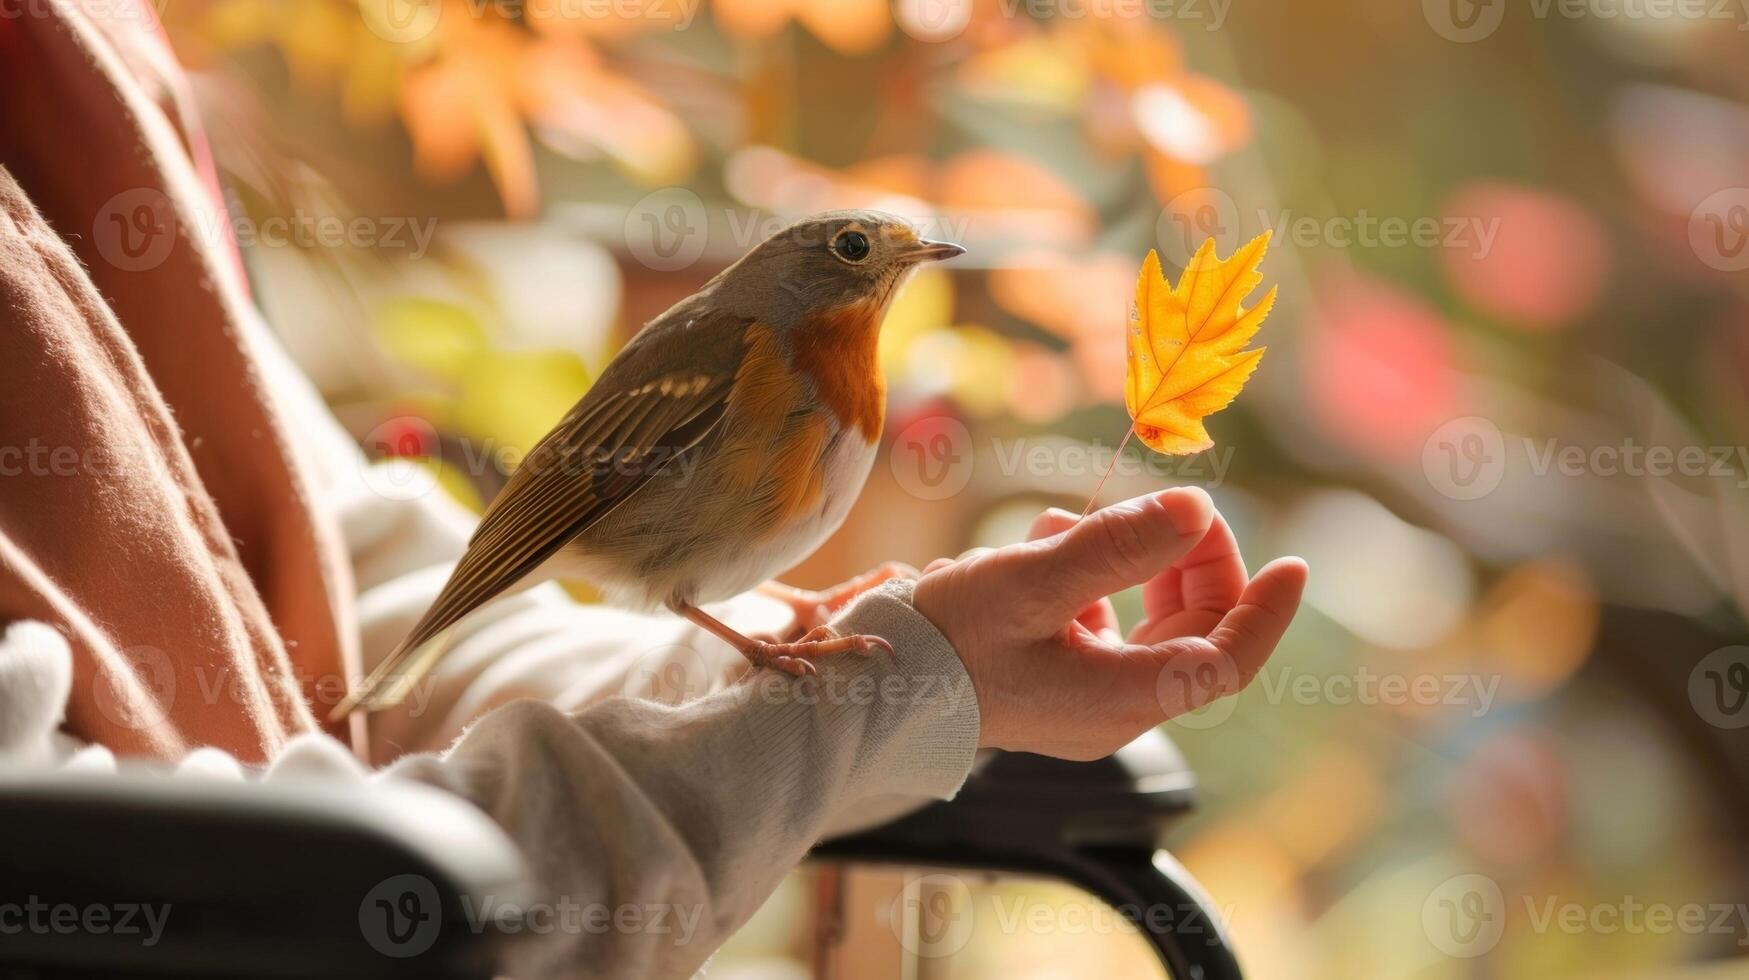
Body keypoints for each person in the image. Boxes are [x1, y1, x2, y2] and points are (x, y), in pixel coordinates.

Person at [0, 2, 1307, 976]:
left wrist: (909, 679)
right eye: (859, 252)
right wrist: (871, 692)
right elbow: (241, 894)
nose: (888, 270)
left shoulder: (74, 46)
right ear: (802, 274)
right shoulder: (742, 351)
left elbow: (315, 568)